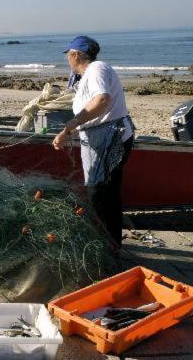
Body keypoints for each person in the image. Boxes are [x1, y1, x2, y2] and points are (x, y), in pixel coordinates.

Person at [52, 36, 134, 250]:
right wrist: (69, 130)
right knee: (107, 194)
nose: (67, 61)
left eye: (68, 55)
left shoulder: (96, 68)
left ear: (75, 55)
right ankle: (112, 246)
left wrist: (71, 125)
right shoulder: (88, 74)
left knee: (99, 194)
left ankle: (105, 248)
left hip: (110, 141)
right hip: (103, 140)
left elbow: (102, 100)